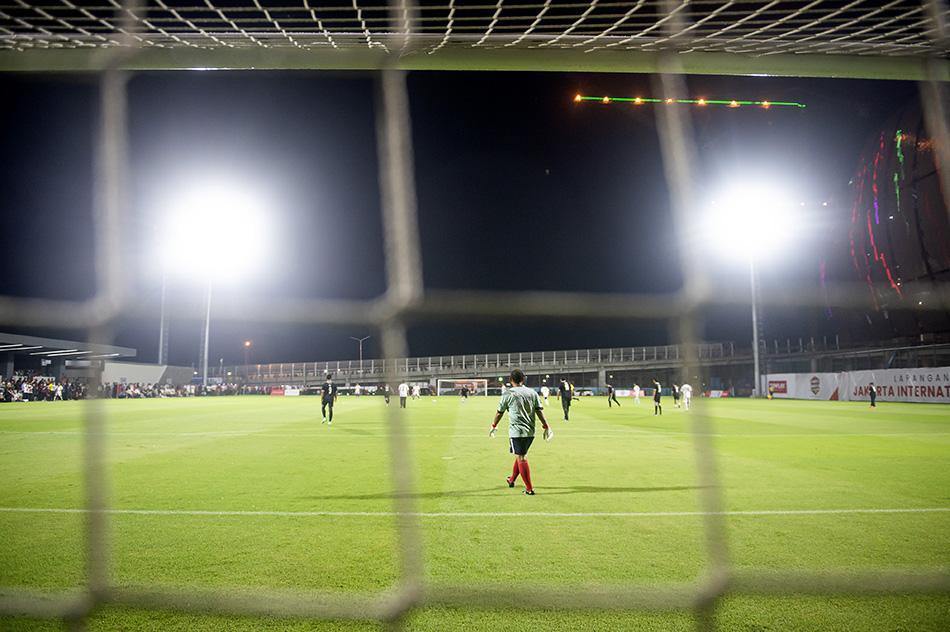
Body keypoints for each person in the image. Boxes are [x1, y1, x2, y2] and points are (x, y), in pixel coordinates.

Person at [489, 368, 552, 496]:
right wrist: (546, 426)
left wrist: (494, 425)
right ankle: (512, 480)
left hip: (517, 432)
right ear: (523, 379)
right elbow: (539, 411)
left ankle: (529, 489)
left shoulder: (507, 394)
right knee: (520, 454)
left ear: (510, 380)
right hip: (530, 432)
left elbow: (499, 412)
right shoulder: (532, 392)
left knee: (521, 457)